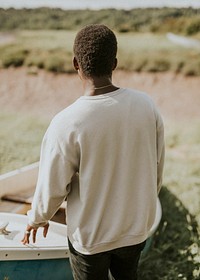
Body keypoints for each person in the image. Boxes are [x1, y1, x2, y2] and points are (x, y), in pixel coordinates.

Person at [22, 24, 165, 280]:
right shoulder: (146, 105)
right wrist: (142, 209)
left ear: (76, 64)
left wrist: (37, 218)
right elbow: (157, 166)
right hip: (134, 230)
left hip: (91, 240)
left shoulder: (66, 123)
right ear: (115, 63)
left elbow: (52, 187)